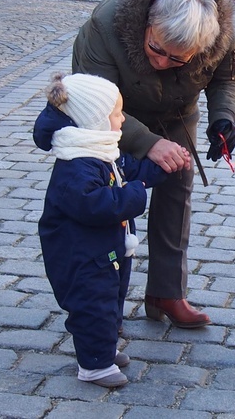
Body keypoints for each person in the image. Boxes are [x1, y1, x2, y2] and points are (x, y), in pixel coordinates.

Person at [72, 0, 235, 329]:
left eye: (177, 58)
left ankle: (167, 291)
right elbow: (93, 102)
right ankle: (100, 302)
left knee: (177, 191)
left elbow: (225, 78)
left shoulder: (218, 33)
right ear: (147, 22)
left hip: (178, 112)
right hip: (109, 117)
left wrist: (223, 120)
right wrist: (147, 143)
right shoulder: (106, 25)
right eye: (156, 49)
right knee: (104, 201)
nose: (163, 62)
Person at [33, 73, 169, 388]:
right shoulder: (76, 165)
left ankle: (103, 349)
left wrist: (161, 168)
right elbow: (94, 204)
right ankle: (93, 365)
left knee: (111, 299)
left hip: (107, 250)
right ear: (94, 120)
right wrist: (135, 194)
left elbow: (131, 170)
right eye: (116, 113)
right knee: (92, 304)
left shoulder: (103, 149)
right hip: (80, 256)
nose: (122, 119)